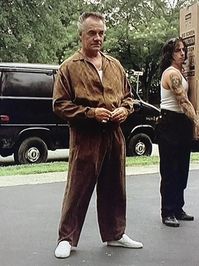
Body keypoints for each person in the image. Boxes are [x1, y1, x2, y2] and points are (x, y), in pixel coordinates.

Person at [53, 12, 143, 259]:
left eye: (101, 33)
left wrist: (125, 109)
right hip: (86, 136)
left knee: (115, 185)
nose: (97, 37)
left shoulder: (115, 65)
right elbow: (59, 104)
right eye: (92, 32)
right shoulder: (69, 68)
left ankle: (115, 234)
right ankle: (66, 239)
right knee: (78, 188)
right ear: (81, 35)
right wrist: (91, 113)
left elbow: (128, 97)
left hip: (114, 135)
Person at [157, 37, 199, 227]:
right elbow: (183, 102)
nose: (182, 53)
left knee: (182, 168)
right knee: (170, 169)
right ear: (170, 54)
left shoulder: (182, 73)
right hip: (170, 122)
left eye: (184, 50)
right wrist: (198, 123)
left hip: (181, 123)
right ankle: (167, 212)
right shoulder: (172, 74)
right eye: (178, 50)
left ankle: (178, 208)